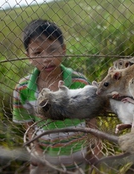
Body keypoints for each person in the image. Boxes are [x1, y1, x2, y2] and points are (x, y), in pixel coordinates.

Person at [12, 19, 101, 173]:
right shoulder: (23, 89)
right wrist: (35, 148)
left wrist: (95, 147)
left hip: (76, 154)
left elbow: (91, 118)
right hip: (44, 157)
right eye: (38, 53)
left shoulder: (79, 82)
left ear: (63, 49)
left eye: (52, 50)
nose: (46, 58)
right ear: (29, 56)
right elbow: (27, 122)